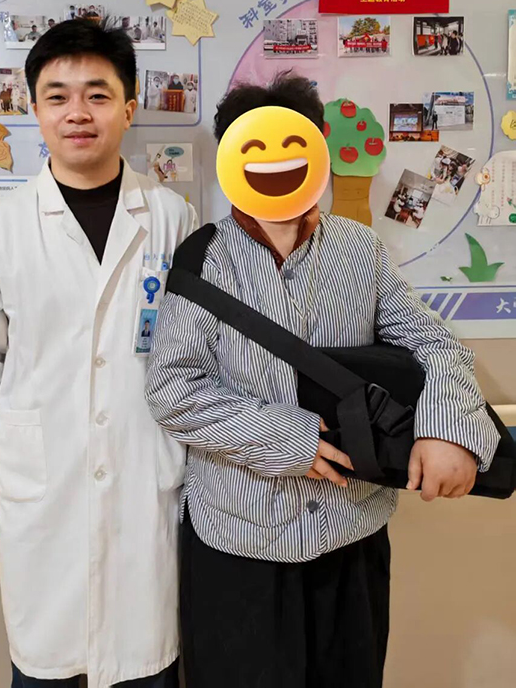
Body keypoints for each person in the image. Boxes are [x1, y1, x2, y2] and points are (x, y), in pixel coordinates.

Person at [145, 73, 498, 688]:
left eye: (294, 143)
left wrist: (447, 431)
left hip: (349, 531)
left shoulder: (361, 250)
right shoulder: (202, 258)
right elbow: (174, 389)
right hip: (236, 535)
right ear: (230, 161)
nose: (276, 162)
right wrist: (292, 440)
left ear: (319, 152)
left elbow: (433, 342)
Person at [0, 18, 197, 688]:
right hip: (41, 484)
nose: (77, 113)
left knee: (146, 660)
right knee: (47, 663)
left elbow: (195, 353)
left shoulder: (172, 217)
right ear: (34, 110)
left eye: (97, 94)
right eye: (57, 96)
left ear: (129, 107)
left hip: (145, 475)